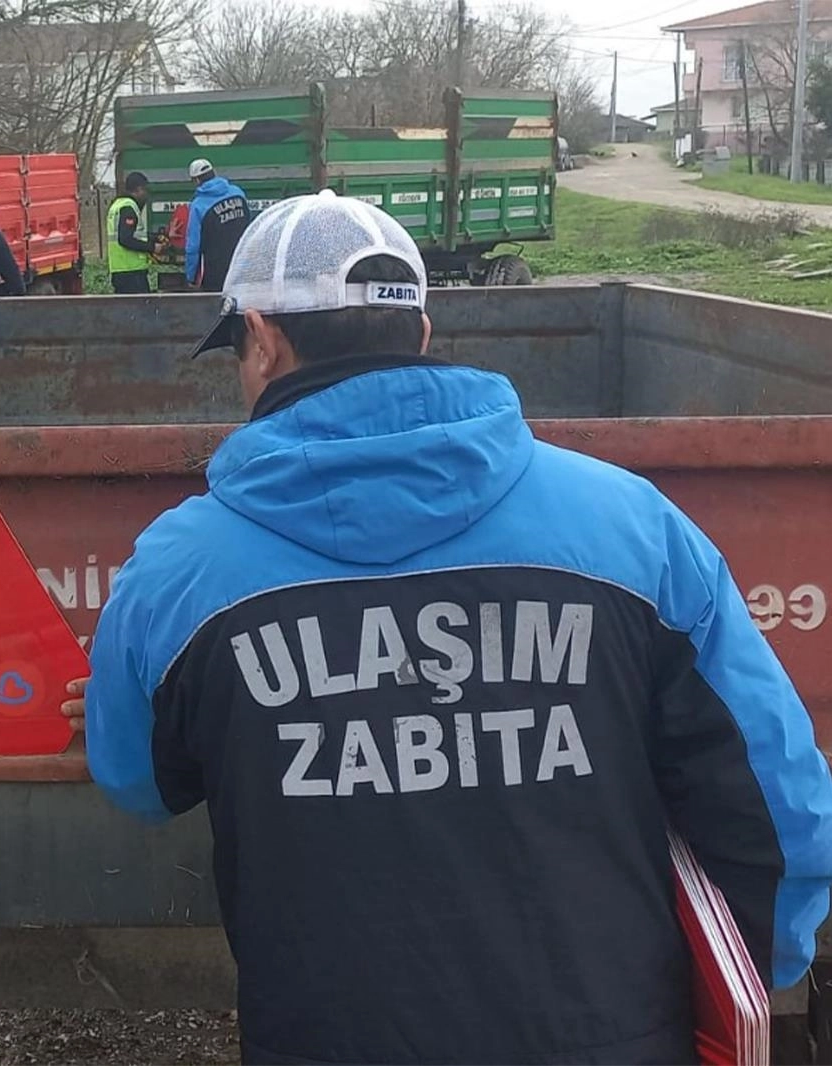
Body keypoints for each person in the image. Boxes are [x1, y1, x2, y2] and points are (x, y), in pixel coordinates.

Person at [66, 190, 832, 1065]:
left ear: (262, 336)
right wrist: (750, 977)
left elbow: (137, 781)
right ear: (420, 333)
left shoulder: (178, 568)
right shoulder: (629, 525)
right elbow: (772, 796)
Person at [183, 158, 250, 291]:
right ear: (214, 173)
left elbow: (193, 247)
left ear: (196, 180)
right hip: (242, 267)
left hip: (215, 273)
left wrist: (190, 277)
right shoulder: (238, 193)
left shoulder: (198, 205)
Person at [108, 171, 155, 294]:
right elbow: (125, 239)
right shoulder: (129, 207)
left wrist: (157, 238)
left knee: (125, 310)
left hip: (120, 270)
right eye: (145, 191)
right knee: (140, 310)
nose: (146, 195)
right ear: (139, 189)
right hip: (131, 272)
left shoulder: (117, 205)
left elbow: (136, 234)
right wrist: (152, 247)